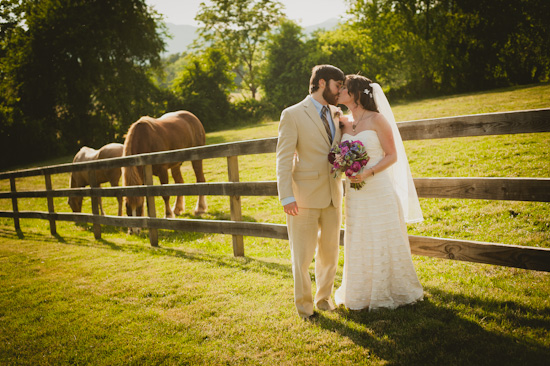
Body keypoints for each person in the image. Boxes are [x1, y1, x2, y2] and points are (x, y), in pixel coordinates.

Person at [335, 74, 424, 311]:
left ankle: (392, 291)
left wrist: (368, 173)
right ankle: (360, 293)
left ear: (354, 94)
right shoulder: (342, 121)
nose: (340, 91)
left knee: (383, 237)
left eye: (344, 88)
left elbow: (392, 155)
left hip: (378, 188)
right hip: (355, 193)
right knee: (360, 237)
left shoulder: (377, 119)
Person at [276, 65, 345, 320]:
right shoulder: (292, 114)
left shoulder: (337, 113)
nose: (340, 92)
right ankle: (305, 307)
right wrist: (286, 196)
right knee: (302, 256)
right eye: (338, 86)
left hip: (333, 192)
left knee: (329, 253)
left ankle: (324, 298)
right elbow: (283, 159)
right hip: (302, 196)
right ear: (323, 83)